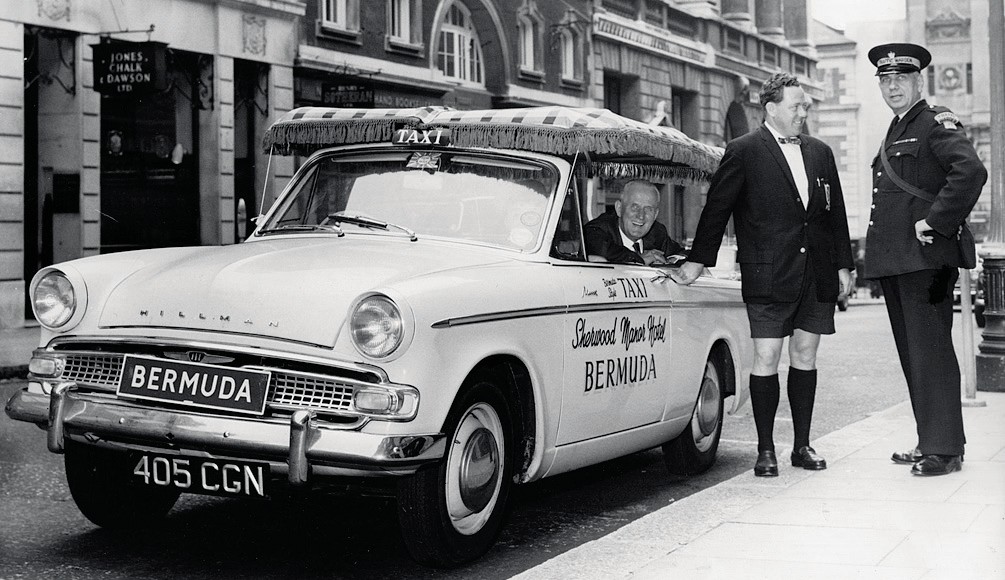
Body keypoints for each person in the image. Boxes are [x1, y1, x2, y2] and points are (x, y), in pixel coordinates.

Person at [676, 72, 854, 477]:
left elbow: (836, 213)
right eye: (796, 106)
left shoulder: (821, 152)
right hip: (769, 273)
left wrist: (844, 263)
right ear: (771, 108)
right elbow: (717, 208)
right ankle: (766, 450)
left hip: (816, 272)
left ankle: (802, 445)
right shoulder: (743, 150)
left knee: (805, 354)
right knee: (767, 357)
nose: (803, 112)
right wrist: (697, 260)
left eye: (805, 105)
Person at [864, 42, 987, 476]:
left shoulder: (934, 121)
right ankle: (931, 439)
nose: (893, 86)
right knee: (915, 354)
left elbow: (970, 171)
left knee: (930, 351)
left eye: (902, 78)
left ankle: (944, 450)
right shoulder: (898, 127)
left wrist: (936, 221)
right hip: (900, 259)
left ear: (919, 82)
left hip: (926, 259)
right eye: (886, 80)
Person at [583, 180, 686, 265]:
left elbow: (684, 255)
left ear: (655, 215)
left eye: (648, 209)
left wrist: (670, 261)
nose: (641, 216)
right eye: (635, 207)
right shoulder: (596, 230)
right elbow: (603, 252)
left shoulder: (657, 232)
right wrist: (639, 259)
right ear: (619, 208)